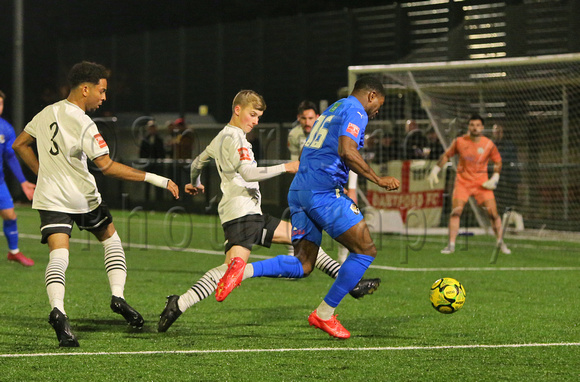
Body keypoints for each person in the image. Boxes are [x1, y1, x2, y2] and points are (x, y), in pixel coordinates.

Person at [157, 90, 380, 333]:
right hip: (243, 214)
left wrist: (196, 182)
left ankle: (351, 284)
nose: (255, 121)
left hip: (242, 213)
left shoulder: (220, 136)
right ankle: (180, 302)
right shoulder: (238, 139)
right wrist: (286, 167)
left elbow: (197, 162)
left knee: (300, 241)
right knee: (233, 268)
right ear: (237, 110)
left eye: (259, 117)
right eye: (252, 115)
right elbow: (248, 173)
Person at [214, 77, 399, 339]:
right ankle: (324, 314)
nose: (377, 110)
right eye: (378, 103)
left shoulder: (334, 107)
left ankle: (242, 270)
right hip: (322, 192)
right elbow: (347, 151)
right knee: (366, 250)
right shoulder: (356, 111)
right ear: (370, 96)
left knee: (304, 264)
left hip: (299, 190)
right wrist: (378, 179)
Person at [12, 61, 180, 347]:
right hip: (82, 196)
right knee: (111, 239)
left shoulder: (46, 112)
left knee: (59, 256)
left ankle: (58, 311)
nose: (104, 97)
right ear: (85, 89)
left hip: (50, 196)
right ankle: (118, 297)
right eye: (101, 91)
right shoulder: (83, 121)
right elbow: (107, 166)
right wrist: (156, 179)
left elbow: (19, 144)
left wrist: (42, 172)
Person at [428, 114, 510, 255]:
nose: (475, 128)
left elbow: (498, 161)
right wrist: (436, 169)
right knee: (456, 212)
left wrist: (495, 177)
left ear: (482, 127)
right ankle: (451, 245)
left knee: (493, 214)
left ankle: (500, 242)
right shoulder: (459, 141)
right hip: (463, 183)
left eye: (478, 125)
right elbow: (446, 155)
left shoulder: (488, 144)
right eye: (472, 125)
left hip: (482, 184)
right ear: (469, 127)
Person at [0, 90, 36, 266]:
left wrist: (23, 181)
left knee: (10, 215)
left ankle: (13, 252)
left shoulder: (5, 128)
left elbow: (10, 156)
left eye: (0, 104)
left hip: (0, 183)